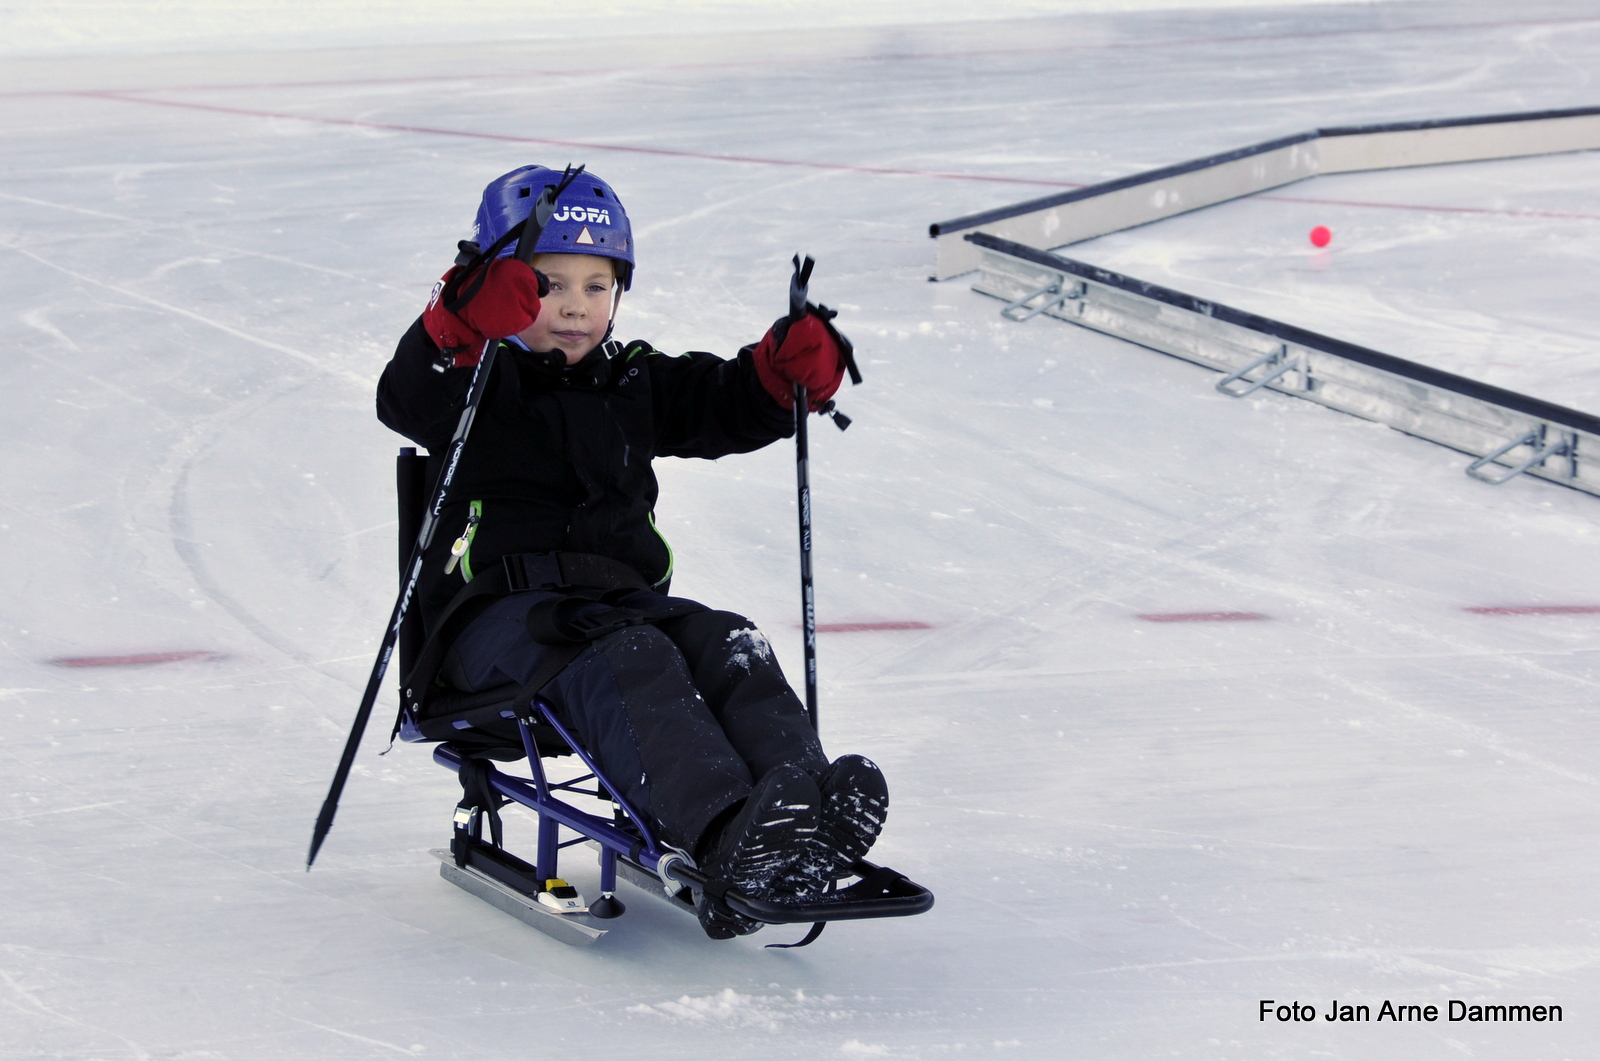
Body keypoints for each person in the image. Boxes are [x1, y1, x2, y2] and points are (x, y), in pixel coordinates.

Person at [376, 164, 885, 939]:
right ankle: (723, 837)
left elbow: (720, 401)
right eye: (547, 285)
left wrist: (782, 376)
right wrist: (458, 321)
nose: (575, 307)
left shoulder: (631, 380)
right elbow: (407, 396)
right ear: (503, 282)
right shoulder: (479, 378)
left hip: (612, 610)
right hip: (493, 627)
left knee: (726, 639)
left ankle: (804, 816)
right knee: (635, 653)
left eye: (597, 285)